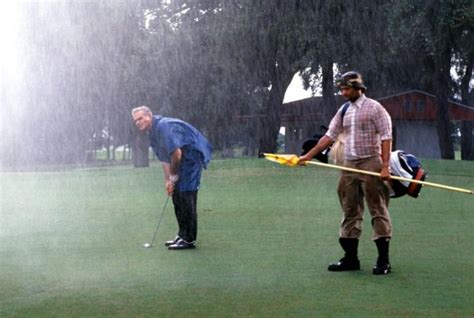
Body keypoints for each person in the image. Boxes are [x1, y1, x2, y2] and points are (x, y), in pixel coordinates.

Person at [298, 71, 393, 275]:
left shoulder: (375, 108)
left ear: (358, 88)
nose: (342, 93)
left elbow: (386, 136)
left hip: (371, 163)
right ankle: (351, 259)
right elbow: (329, 135)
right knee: (349, 209)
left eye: (346, 89)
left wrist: (385, 166)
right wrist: (309, 155)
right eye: (341, 89)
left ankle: (383, 261)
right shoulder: (344, 110)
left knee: (378, 209)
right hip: (349, 165)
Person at [132, 106, 212, 250]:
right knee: (175, 194)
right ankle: (182, 234)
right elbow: (165, 159)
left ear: (149, 116)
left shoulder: (163, 127)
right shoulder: (152, 133)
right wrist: (168, 181)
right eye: (136, 120)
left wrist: (174, 175)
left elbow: (176, 154)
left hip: (192, 155)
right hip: (181, 157)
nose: (138, 122)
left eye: (141, 118)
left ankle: (189, 239)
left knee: (186, 194)